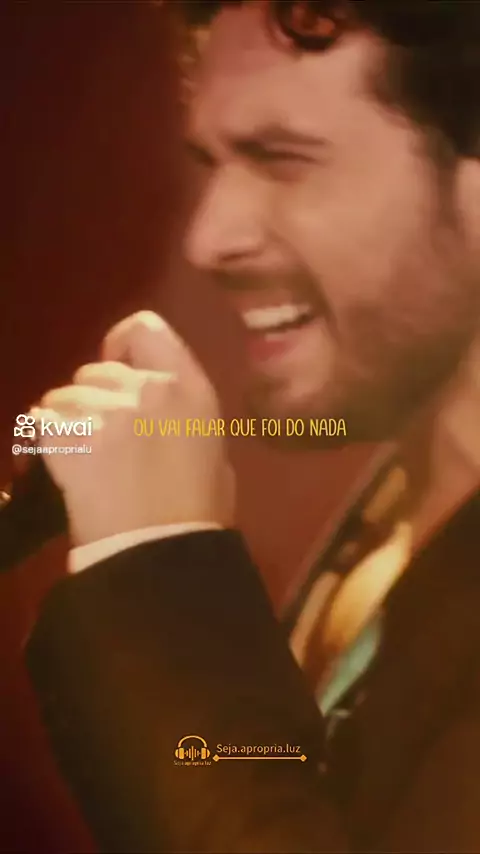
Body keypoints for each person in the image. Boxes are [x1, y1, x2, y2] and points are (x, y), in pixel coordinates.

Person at [25, 1, 480, 851]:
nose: (207, 239)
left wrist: (152, 562)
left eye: (283, 159)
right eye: (213, 163)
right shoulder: (397, 509)